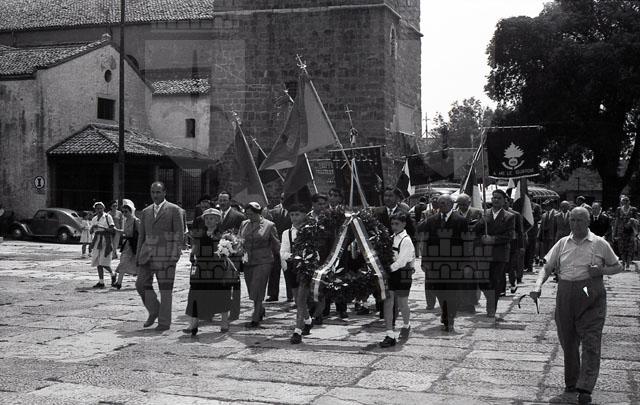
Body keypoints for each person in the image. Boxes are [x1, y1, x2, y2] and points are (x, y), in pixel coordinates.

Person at [530, 207, 622, 404]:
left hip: (590, 295)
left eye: (579, 220)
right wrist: (537, 286)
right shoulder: (562, 243)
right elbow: (547, 266)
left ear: (588, 222)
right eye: (572, 220)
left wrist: (601, 270)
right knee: (568, 341)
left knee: (591, 341)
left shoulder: (599, 243)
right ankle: (572, 383)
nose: (575, 224)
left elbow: (618, 266)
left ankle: (586, 387)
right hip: (565, 295)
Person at [135, 181, 184, 331]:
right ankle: (154, 310)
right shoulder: (145, 211)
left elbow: (179, 234)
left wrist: (174, 256)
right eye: (152, 192)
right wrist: (138, 255)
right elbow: (141, 235)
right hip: (147, 255)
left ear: (164, 192)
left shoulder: (174, 210)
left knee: (165, 290)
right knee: (140, 284)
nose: (155, 195)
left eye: (158, 192)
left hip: (166, 256)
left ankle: (164, 322)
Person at [417, 194, 468, 332]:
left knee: (453, 292)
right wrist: (424, 261)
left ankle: (450, 317)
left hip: (454, 264)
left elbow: (466, 244)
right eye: (439, 203)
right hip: (436, 264)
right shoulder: (431, 220)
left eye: (444, 203)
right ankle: (445, 312)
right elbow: (426, 242)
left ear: (451, 204)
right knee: (439, 290)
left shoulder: (461, 221)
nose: (441, 205)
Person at [184, 208, 239, 336]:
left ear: (217, 220)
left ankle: (224, 322)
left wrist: (226, 252)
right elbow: (195, 247)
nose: (209, 221)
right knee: (195, 294)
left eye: (212, 218)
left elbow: (232, 250)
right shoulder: (200, 234)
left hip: (218, 268)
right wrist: (192, 255)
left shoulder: (224, 236)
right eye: (207, 218)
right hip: (201, 267)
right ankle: (193, 323)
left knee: (222, 294)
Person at [473, 189, 515, 318]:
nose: (496, 200)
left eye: (499, 198)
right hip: (484, 254)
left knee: (495, 281)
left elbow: (509, 236)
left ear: (504, 201)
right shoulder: (484, 214)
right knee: (482, 281)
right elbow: (475, 232)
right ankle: (489, 298)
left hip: (499, 254)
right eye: (494, 197)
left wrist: (493, 239)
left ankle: (492, 307)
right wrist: (481, 236)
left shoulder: (509, 216)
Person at [239, 202, 280, 327]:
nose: (249, 217)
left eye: (251, 214)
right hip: (248, 261)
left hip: (263, 261)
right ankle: (260, 309)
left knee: (258, 288)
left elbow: (276, 244)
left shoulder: (269, 225)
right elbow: (239, 239)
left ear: (259, 213)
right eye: (247, 214)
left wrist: (282, 259)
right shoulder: (244, 224)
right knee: (252, 289)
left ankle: (255, 318)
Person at [380, 212, 415, 347]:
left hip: (403, 274)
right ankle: (389, 334)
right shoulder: (391, 238)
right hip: (391, 274)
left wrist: (387, 270)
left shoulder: (406, 240)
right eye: (392, 224)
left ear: (404, 224)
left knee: (402, 303)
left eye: (397, 224)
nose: (394, 226)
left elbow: (401, 261)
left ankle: (406, 325)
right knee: (388, 302)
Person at [281, 204, 314, 344]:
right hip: (292, 268)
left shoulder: (311, 231)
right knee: (297, 299)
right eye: (292, 215)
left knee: (301, 299)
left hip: (306, 269)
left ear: (305, 215)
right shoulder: (286, 233)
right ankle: (308, 321)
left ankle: (297, 331)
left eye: (297, 214)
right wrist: (295, 257)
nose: (294, 217)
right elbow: (283, 253)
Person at [267, 193, 293, 302]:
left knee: (289, 270)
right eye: (282, 198)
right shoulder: (272, 212)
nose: (284, 200)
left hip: (289, 246)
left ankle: (291, 294)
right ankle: (273, 294)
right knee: (273, 270)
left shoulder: (294, 213)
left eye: (287, 198)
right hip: (275, 245)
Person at [89, 201, 116, 288]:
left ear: (103, 208)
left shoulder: (108, 217)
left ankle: (112, 274)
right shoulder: (94, 219)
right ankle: (101, 281)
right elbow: (91, 232)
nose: (99, 210)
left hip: (105, 240)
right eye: (97, 208)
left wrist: (102, 228)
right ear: (95, 209)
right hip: (97, 240)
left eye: (101, 208)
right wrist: (93, 228)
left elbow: (112, 229)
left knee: (104, 261)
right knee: (98, 261)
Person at [114, 199, 140, 290]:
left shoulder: (136, 220)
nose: (124, 213)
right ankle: (119, 283)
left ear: (130, 211)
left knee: (136, 264)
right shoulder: (126, 221)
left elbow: (141, 233)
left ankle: (140, 282)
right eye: (123, 212)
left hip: (135, 244)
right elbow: (125, 232)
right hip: (127, 244)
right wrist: (117, 230)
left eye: (126, 211)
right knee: (123, 262)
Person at [612, 196, 638, 270]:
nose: (625, 202)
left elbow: (637, 221)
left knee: (630, 248)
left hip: (630, 231)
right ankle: (623, 264)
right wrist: (614, 232)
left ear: (629, 201)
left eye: (627, 201)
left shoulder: (633, 209)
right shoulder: (619, 209)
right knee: (621, 247)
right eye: (624, 201)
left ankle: (628, 265)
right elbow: (616, 221)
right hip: (621, 231)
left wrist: (633, 220)